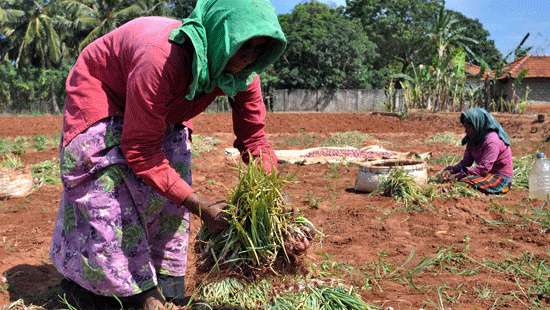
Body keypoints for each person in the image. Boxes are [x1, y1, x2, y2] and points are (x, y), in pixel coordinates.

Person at [49, 0, 301, 309]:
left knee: (174, 173)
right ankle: (123, 292)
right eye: (243, 46)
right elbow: (140, 150)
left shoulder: (245, 74)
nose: (249, 57)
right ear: (221, 36)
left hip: (160, 107)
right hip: (104, 94)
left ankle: (166, 288)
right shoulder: (162, 57)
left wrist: (271, 195)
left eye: (259, 50)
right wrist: (198, 204)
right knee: (107, 184)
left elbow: (254, 139)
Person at [442, 108, 513, 194]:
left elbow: (484, 169)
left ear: (477, 125)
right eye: (465, 127)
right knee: (462, 179)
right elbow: (466, 162)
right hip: (485, 174)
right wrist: (452, 170)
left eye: (468, 127)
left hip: (500, 178)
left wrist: (460, 174)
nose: (466, 130)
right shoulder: (472, 139)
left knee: (464, 180)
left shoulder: (492, 141)